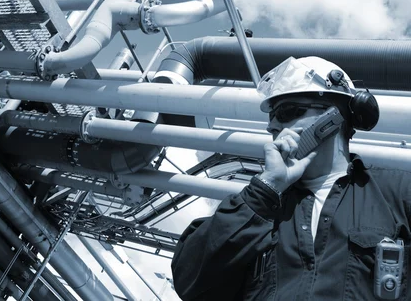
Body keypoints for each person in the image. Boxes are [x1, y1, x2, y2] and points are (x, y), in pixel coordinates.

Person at [171, 56, 411, 300]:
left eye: (287, 111)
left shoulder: (399, 194)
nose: (272, 125)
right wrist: (267, 189)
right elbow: (189, 282)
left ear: (332, 117)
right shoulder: (257, 207)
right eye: (271, 115)